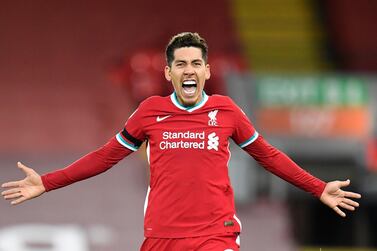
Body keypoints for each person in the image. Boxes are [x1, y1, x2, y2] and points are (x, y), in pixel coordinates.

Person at [1, 32, 361, 251]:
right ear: (169, 72)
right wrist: (48, 182)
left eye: (196, 63)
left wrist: (317, 188)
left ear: (206, 71)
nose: (189, 69)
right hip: (162, 237)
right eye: (181, 64)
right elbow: (105, 157)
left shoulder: (227, 112)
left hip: (214, 235)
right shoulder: (149, 112)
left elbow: (268, 156)